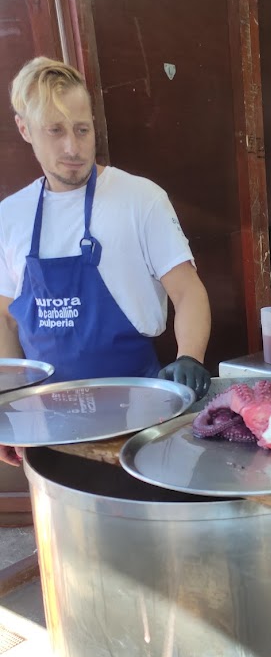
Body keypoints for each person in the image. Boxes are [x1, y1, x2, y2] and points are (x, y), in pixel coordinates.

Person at [0, 57, 212, 466]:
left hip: (139, 418)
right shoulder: (9, 215)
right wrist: (8, 409)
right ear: (25, 129)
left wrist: (190, 356)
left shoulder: (140, 199)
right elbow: (5, 318)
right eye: (55, 131)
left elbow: (188, 292)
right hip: (44, 425)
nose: (73, 148)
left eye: (82, 130)